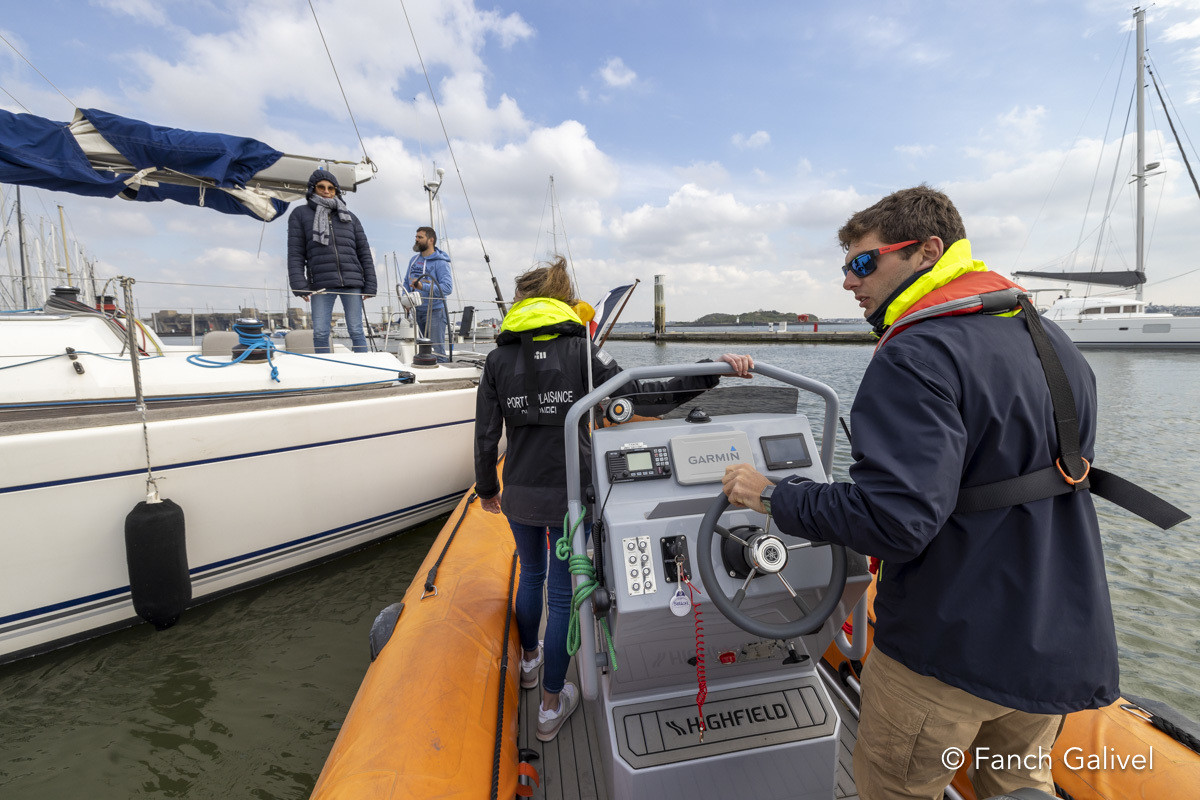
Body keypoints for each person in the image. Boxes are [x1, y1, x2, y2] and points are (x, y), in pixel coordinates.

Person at [721, 186, 1118, 800]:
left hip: (949, 650)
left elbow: (895, 521)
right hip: (1053, 639)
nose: (850, 283)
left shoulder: (916, 353)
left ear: (929, 251)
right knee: (1016, 787)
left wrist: (774, 497)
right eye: (846, 266)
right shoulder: (1052, 340)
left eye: (864, 262)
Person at [474, 256, 753, 742]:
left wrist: (487, 488)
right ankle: (549, 706)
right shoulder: (582, 352)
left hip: (519, 491)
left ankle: (530, 663)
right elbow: (643, 396)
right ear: (562, 300)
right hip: (569, 498)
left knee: (531, 575)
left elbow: (485, 436)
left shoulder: (498, 360)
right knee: (561, 595)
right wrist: (711, 373)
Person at [287, 169, 376, 353]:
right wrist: (299, 285)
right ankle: (326, 368)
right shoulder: (300, 214)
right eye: (321, 187)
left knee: (356, 330)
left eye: (331, 188)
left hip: (352, 281)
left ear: (336, 191)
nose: (327, 191)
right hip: (321, 282)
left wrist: (370, 286)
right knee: (320, 332)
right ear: (313, 189)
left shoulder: (350, 217)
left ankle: (364, 368)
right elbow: (296, 253)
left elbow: (364, 252)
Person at [405, 227, 453, 359]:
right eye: (416, 237)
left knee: (437, 350)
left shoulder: (441, 263)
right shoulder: (413, 260)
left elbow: (448, 288)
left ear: (431, 240)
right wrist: (406, 299)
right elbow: (406, 282)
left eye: (420, 237)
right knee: (422, 351)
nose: (416, 240)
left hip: (435, 312)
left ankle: (443, 377)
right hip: (417, 311)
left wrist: (423, 286)